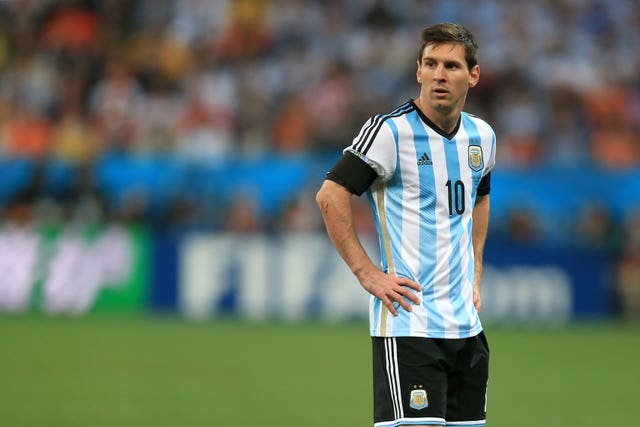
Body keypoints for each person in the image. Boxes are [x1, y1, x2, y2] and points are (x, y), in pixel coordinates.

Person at [316, 23, 495, 427]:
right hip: (409, 324)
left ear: (473, 75)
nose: (439, 74)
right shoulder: (389, 132)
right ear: (418, 71)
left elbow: (480, 197)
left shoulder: (481, 136)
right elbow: (330, 195)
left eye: (451, 65)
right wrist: (368, 274)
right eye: (430, 63)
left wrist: (477, 267)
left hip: (467, 327)